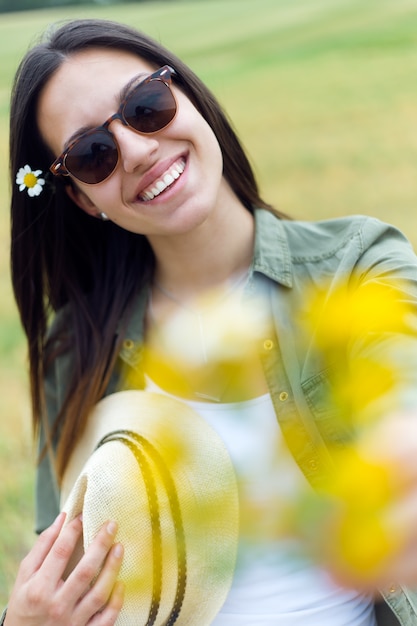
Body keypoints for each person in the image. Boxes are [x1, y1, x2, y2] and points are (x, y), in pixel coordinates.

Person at [3, 17, 417, 626]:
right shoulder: (77, 348)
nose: (140, 151)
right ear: (84, 198)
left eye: (147, 105)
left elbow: (402, 390)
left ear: (190, 96)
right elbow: (61, 567)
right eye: (94, 154)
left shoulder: (357, 264)